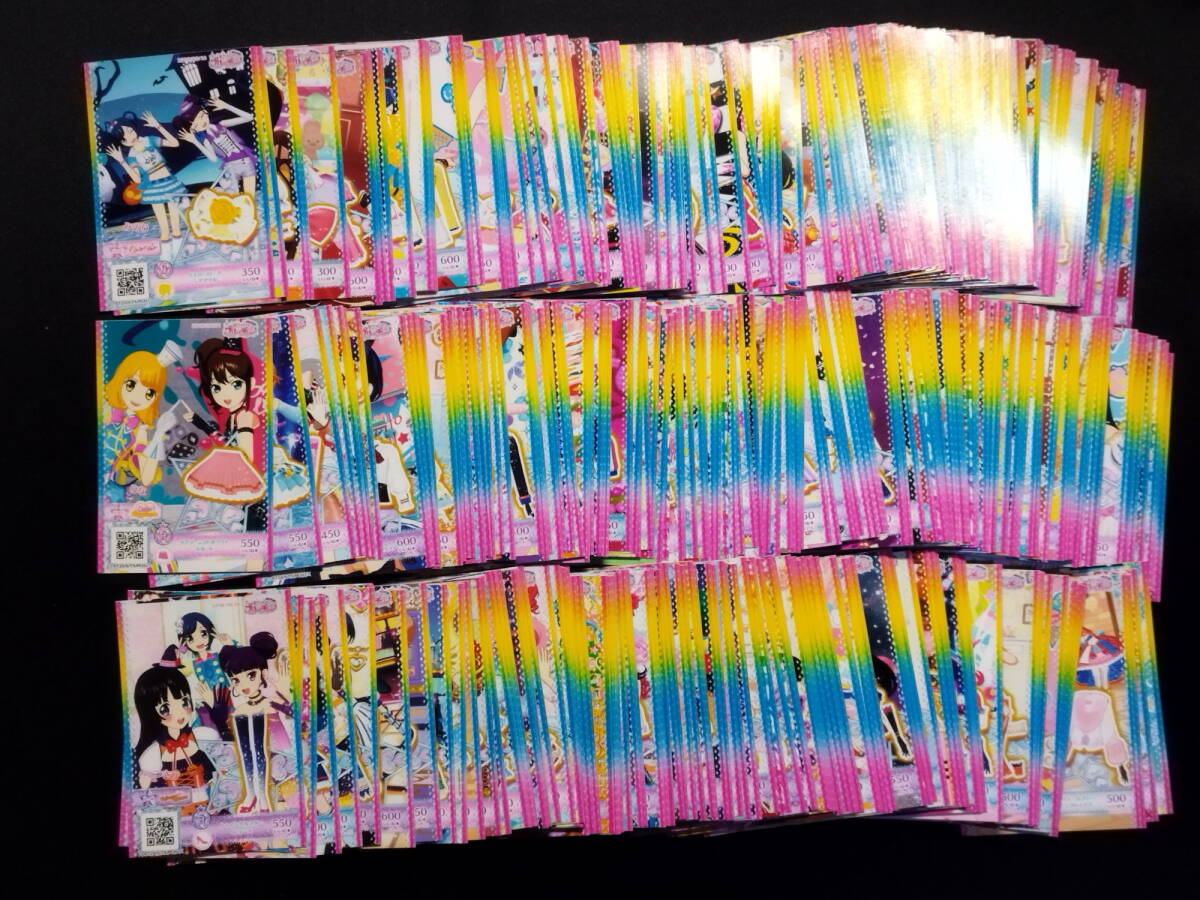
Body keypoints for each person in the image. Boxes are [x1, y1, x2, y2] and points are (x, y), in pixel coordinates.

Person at [220, 632, 294, 813]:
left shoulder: (270, 703)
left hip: (280, 756)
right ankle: (251, 794)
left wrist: (286, 693)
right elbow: (245, 753)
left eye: (251, 675)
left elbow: (297, 714)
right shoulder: (240, 710)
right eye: (236, 680)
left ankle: (262, 796)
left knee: (258, 753)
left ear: (264, 673)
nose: (244, 684)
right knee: (247, 754)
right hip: (262, 752)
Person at [133, 655, 218, 801]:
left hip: (208, 801)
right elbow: (145, 788)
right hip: (176, 805)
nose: (180, 712)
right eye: (165, 709)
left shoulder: (202, 736)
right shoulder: (153, 754)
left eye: (184, 702)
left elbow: (223, 763)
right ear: (150, 713)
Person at [104, 111, 188, 244]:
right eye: (125, 136)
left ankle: (177, 234)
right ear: (122, 141)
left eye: (130, 130)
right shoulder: (131, 156)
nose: (130, 135)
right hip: (152, 186)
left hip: (168, 180)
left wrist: (157, 126)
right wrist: (122, 161)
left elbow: (174, 143)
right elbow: (137, 179)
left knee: (174, 209)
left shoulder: (149, 140)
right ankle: (165, 236)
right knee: (160, 214)